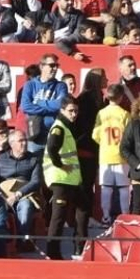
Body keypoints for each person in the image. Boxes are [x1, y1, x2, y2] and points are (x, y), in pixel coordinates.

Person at [41, 96, 87, 260]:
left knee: (83, 211)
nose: (74, 114)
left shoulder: (67, 127)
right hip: (60, 179)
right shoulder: (59, 128)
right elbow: (52, 148)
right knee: (58, 217)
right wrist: (60, 165)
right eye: (71, 111)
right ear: (62, 110)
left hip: (71, 179)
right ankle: (52, 252)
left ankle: (80, 248)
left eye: (76, 111)